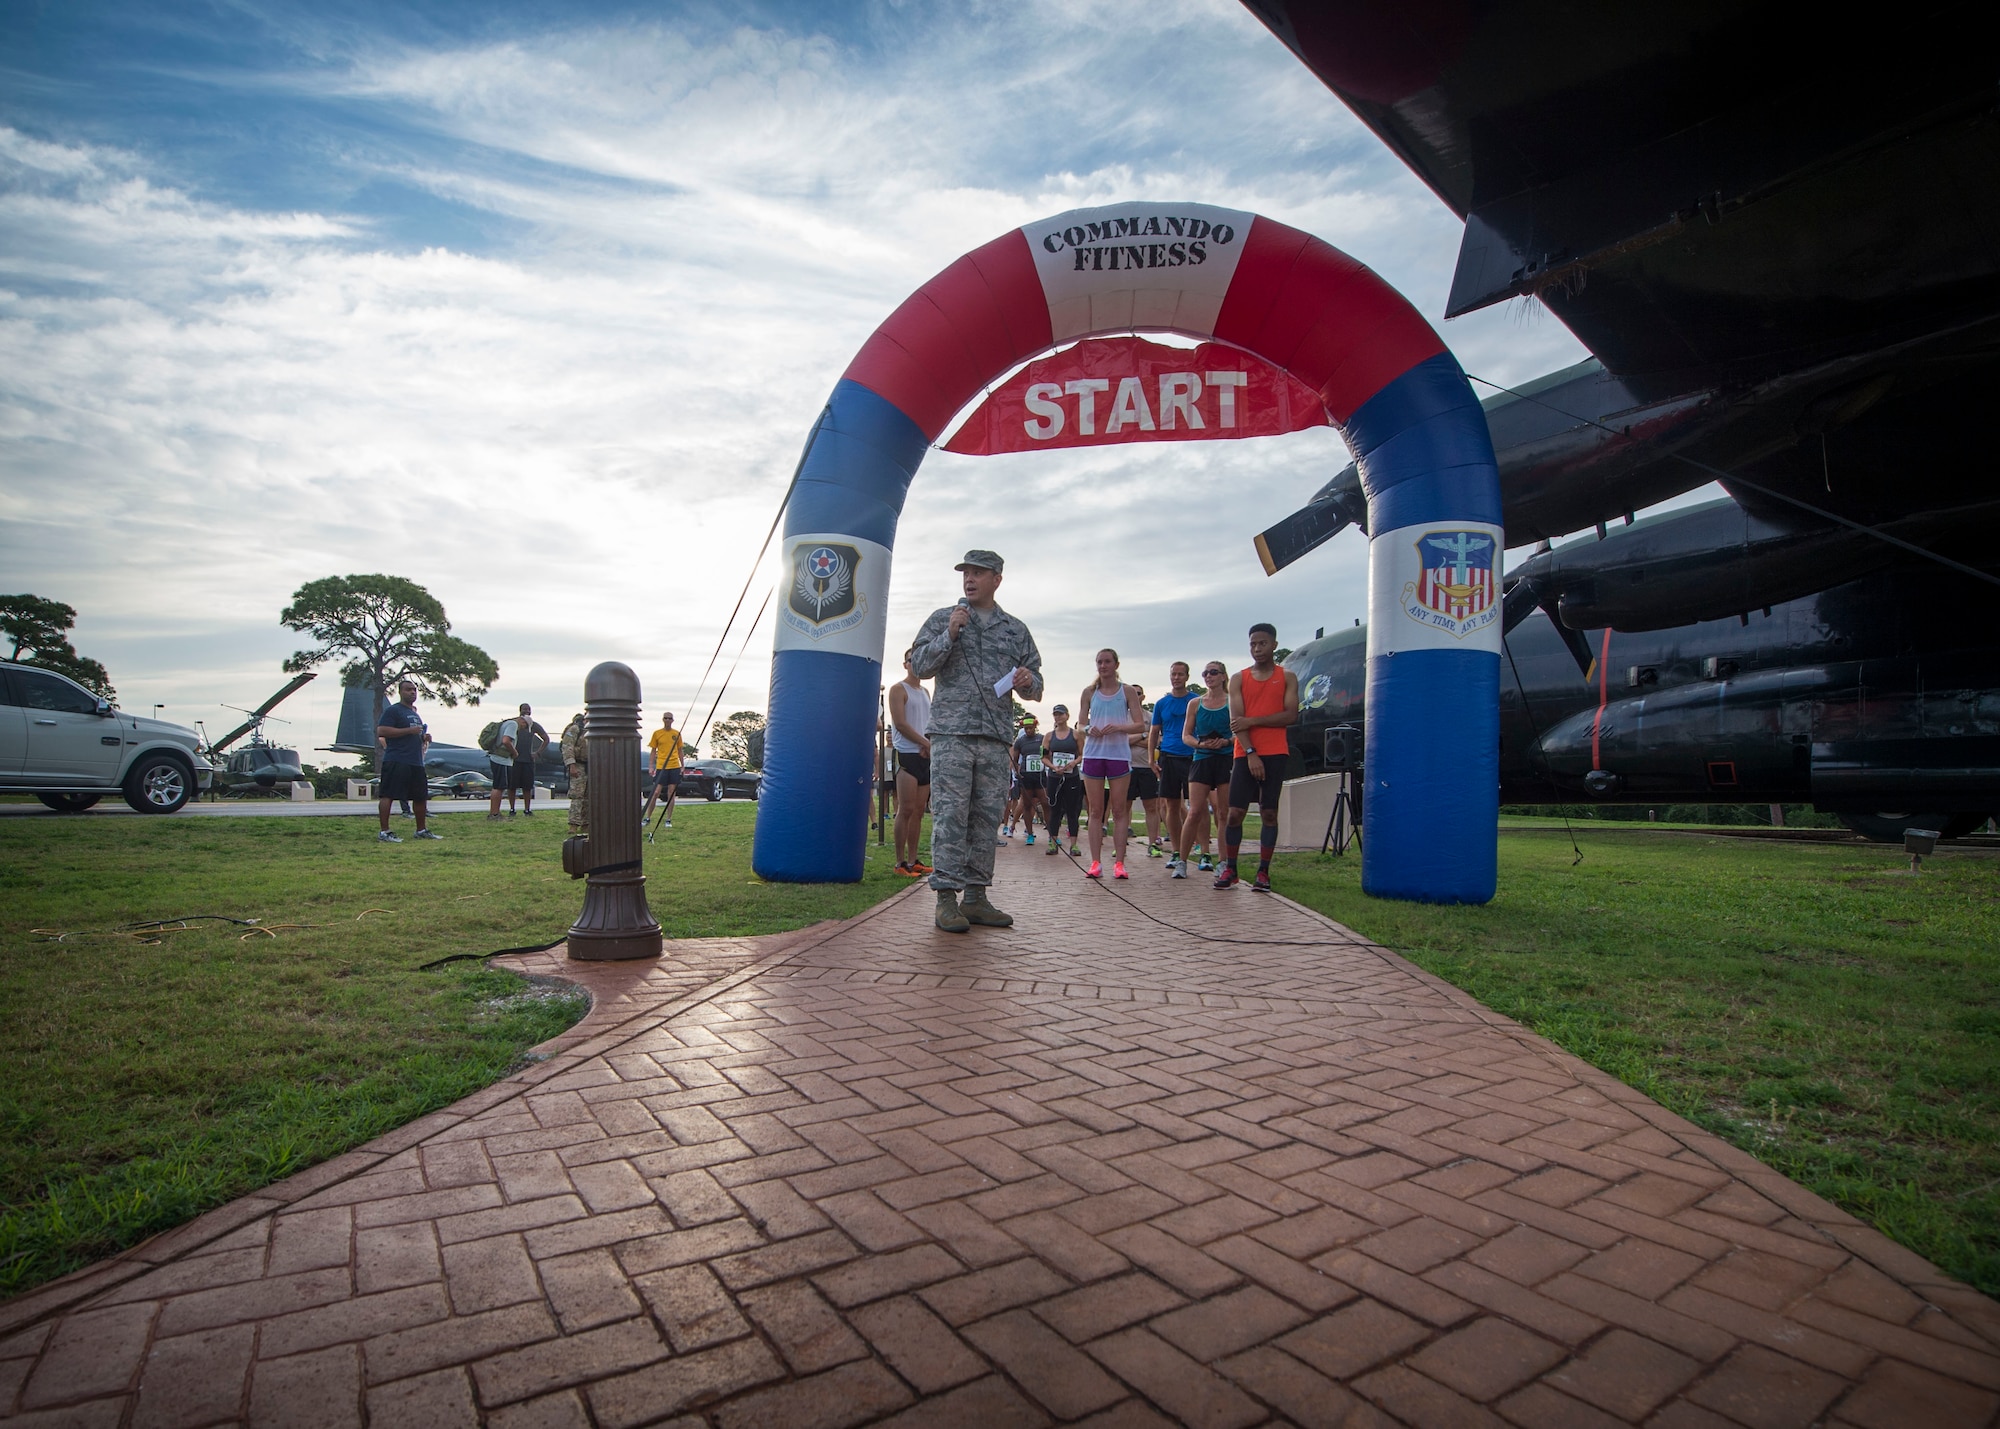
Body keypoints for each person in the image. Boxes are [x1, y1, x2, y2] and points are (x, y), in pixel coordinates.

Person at [908, 550, 1043, 933]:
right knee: (950, 817)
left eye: (979, 573)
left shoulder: (1015, 629)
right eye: (966, 572)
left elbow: (1037, 682)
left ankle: (976, 897)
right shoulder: (942, 619)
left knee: (985, 820)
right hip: (952, 734)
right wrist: (949, 634)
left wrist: (1027, 682)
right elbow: (919, 665)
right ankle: (946, 899)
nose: (970, 579)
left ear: (997, 579)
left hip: (996, 736)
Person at [1218, 623, 1300, 891]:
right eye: (1253, 644)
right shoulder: (1239, 679)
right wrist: (1251, 752)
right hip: (1245, 753)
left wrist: (1253, 720)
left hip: (1276, 752)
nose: (1257, 649)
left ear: (1274, 644)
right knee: (1235, 813)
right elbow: (1236, 723)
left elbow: (1290, 715)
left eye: (1262, 643)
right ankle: (1230, 868)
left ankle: (1263, 872)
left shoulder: (1286, 677)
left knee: (1269, 813)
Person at [1077, 648, 1146, 880]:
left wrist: (1119, 728)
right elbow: (1080, 725)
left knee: (1118, 810)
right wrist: (1088, 729)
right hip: (1094, 754)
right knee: (1095, 811)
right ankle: (1095, 862)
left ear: (1116, 665)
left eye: (1107, 662)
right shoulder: (1089, 692)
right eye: (1099, 662)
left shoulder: (1126, 691)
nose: (1103, 666)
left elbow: (1139, 725)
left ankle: (1119, 863)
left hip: (1118, 755)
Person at [1174, 660, 1233, 878]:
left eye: (1214, 672)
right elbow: (1186, 735)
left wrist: (1226, 742)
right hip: (1202, 758)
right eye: (1205, 673)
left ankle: (1224, 861)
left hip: (1225, 759)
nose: (1209, 676)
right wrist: (1201, 744)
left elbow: (1240, 733)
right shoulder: (1196, 704)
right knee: (1195, 811)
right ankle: (1182, 860)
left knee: (1223, 812)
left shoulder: (1232, 702)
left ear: (1223, 676)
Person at [376, 678, 441, 842]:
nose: (412, 692)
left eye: (414, 690)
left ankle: (421, 830)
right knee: (388, 795)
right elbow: (382, 731)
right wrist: (408, 730)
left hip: (415, 762)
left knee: (420, 796)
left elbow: (414, 735)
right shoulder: (393, 711)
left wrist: (423, 737)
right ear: (400, 692)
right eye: (408, 690)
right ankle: (385, 832)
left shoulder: (414, 714)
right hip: (397, 759)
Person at [889, 650, 933, 878]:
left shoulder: (925, 691)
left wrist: (928, 744)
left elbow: (929, 721)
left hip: (925, 755)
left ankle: (914, 859)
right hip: (907, 753)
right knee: (904, 809)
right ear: (905, 664)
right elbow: (901, 724)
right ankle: (900, 862)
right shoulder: (898, 689)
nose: (916, 663)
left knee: (918, 811)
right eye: (912, 659)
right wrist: (924, 743)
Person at [1151, 662, 1198, 872]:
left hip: (1192, 756)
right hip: (1168, 756)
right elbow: (1154, 731)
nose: (1176, 678)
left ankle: (1200, 846)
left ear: (1187, 677)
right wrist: (1151, 759)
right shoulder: (1162, 703)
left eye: (1180, 674)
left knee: (1196, 806)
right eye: (1173, 674)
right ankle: (1177, 851)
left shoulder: (1195, 701)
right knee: (1170, 805)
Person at [1124, 682, 1167, 858]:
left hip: (1147, 767)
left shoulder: (1150, 716)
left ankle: (1153, 843)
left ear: (1143, 697)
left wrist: (1137, 738)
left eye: (1138, 693)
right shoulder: (1122, 717)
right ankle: (1121, 845)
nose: (1135, 695)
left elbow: (1156, 740)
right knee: (1123, 807)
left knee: (1151, 807)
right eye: (1132, 693)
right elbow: (1122, 741)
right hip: (1126, 767)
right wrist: (1143, 735)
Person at [1042, 704, 1082, 855]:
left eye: (1060, 714)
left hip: (1072, 776)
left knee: (1072, 810)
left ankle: (1074, 844)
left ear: (1067, 716)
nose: (1058, 717)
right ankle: (1052, 842)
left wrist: (1074, 763)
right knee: (1055, 810)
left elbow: (1081, 754)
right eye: (1055, 715)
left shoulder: (1076, 735)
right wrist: (1053, 767)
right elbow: (1043, 757)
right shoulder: (1049, 736)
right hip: (1054, 777)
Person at [504, 704, 548, 816]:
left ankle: (527, 809)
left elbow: (546, 739)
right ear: (520, 711)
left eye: (529, 710)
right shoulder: (513, 723)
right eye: (524, 710)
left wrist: (537, 753)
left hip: (528, 759)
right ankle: (512, 809)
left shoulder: (534, 725)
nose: (527, 712)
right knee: (511, 786)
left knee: (527, 786)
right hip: (514, 759)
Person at [643, 712, 685, 829]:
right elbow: (653, 751)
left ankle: (668, 819)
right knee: (655, 793)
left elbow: (680, 750)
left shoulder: (676, 734)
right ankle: (648, 817)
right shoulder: (657, 733)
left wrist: (682, 766)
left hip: (674, 766)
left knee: (671, 793)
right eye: (665, 718)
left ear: (672, 720)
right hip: (661, 766)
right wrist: (651, 766)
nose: (667, 720)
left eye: (669, 718)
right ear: (663, 719)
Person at [1010, 714, 1047, 846]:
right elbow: (1015, 759)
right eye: (1026, 728)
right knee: (1026, 805)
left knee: (1045, 803)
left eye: (1030, 728)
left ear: (1035, 726)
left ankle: (1052, 834)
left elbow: (1049, 755)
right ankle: (1030, 834)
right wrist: (1017, 771)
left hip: (1040, 775)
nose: (1028, 731)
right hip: (1026, 775)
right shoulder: (1020, 741)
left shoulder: (1042, 739)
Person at [561, 711, 588, 839]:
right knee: (577, 796)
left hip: (591, 766)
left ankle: (586, 824)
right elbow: (567, 747)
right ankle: (573, 824)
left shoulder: (594, 729)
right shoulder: (575, 728)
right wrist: (571, 764)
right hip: (578, 765)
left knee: (589, 797)